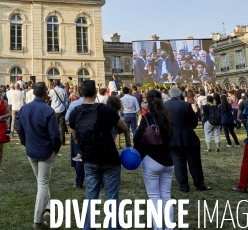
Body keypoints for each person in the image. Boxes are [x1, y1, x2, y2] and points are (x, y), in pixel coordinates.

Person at [69, 80, 127, 230]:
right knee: (112, 199)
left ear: (81, 93)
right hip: (109, 157)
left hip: (89, 157)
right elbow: (124, 127)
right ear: (96, 92)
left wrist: (77, 140)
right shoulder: (106, 110)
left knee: (91, 197)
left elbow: (74, 133)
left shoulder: (76, 111)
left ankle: (88, 227)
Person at [16, 82, 61, 229]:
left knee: (42, 182)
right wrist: (56, 149)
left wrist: (25, 142)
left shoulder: (24, 109)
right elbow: (55, 135)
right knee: (42, 183)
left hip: (33, 150)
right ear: (45, 93)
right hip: (45, 151)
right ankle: (37, 219)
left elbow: (19, 128)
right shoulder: (48, 111)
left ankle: (47, 208)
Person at [134, 89, 175, 230]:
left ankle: (158, 227)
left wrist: (139, 152)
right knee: (166, 196)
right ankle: (169, 227)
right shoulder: (167, 117)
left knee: (154, 197)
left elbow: (137, 137)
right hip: (168, 160)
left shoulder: (147, 118)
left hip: (152, 160)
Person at [164, 86, 210, 192]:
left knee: (178, 162)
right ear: (180, 94)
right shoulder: (185, 105)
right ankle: (199, 184)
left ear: (170, 95)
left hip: (172, 138)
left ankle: (183, 186)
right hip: (188, 136)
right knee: (194, 162)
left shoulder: (164, 106)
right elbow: (194, 121)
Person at [65, 89, 85, 188]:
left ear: (80, 93)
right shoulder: (97, 104)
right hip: (92, 134)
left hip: (77, 134)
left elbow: (67, 118)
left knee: (79, 157)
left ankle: (79, 182)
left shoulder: (74, 104)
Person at [48, 80, 69, 146]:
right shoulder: (63, 91)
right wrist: (65, 108)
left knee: (54, 126)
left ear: (54, 84)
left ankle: (54, 140)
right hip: (61, 109)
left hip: (54, 109)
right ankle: (62, 141)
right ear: (60, 84)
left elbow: (49, 98)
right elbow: (66, 101)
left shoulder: (52, 91)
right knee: (62, 126)